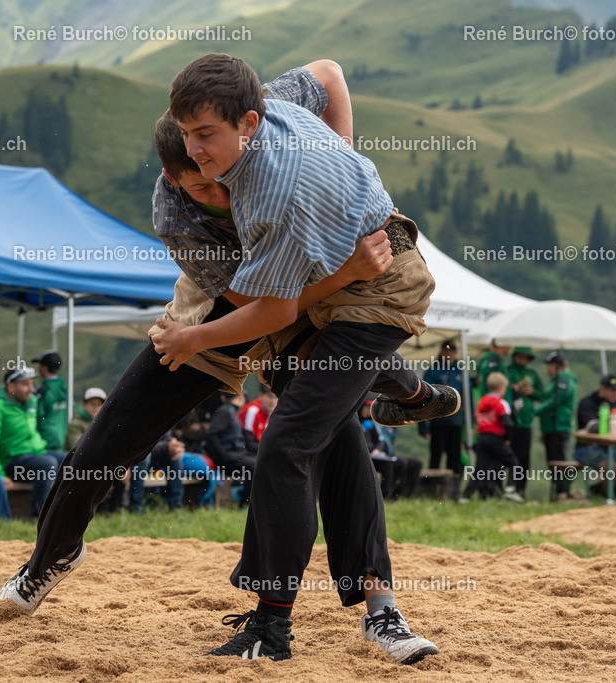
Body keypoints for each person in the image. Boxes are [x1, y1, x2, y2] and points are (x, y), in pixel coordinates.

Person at [0, 59, 449, 666]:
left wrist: (338, 168)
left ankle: (376, 607)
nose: (218, 191)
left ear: (248, 124)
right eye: (201, 182)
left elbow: (329, 74)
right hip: (223, 312)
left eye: (211, 144)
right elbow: (258, 310)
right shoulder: (179, 211)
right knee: (107, 440)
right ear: (173, 176)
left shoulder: (270, 158)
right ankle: (49, 555)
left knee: (322, 434)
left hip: (319, 296)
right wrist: (198, 337)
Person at [154, 53, 442, 664]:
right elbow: (333, 71)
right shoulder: (273, 104)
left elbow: (275, 313)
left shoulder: (273, 196)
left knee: (286, 445)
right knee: (328, 429)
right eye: (186, 133)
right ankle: (383, 608)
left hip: (379, 287)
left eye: (206, 135)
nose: (196, 150)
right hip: (339, 271)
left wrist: (190, 340)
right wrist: (346, 162)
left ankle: (271, 627)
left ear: (248, 123)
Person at [0, 366, 61, 518]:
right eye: (25, 384)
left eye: (31, 384)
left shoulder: (31, 401)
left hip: (36, 453)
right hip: (11, 461)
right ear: (11, 387)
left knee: (71, 458)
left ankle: (68, 514)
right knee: (47, 464)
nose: (31, 389)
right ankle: (39, 517)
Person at [574, 374, 616, 498]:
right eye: (612, 390)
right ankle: (609, 497)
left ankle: (600, 490)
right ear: (602, 388)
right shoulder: (587, 402)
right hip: (588, 446)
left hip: (614, 446)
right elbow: (592, 426)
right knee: (610, 468)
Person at [419, 339, 469, 498]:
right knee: (436, 455)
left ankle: (453, 492)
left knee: (455, 457)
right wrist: (423, 426)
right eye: (446, 350)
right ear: (441, 352)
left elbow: (468, 399)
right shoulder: (433, 371)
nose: (449, 353)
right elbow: (422, 399)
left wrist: (470, 423)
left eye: (452, 350)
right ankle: (432, 492)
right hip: (438, 420)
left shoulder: (460, 371)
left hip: (456, 422)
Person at [460, 373, 519, 502]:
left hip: (482, 438)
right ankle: (510, 490)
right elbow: (507, 422)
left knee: (480, 469)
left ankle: (466, 496)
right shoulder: (501, 403)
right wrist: (508, 438)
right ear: (502, 387)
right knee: (514, 464)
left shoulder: (482, 401)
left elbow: (477, 418)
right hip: (496, 438)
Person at [535, 352, 576, 500]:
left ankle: (561, 493)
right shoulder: (556, 381)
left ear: (557, 366)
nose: (548, 369)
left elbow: (554, 402)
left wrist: (534, 411)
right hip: (551, 428)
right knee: (553, 462)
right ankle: (558, 493)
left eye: (550, 366)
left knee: (559, 461)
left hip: (559, 427)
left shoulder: (563, 380)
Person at [360, 400, 422, 499]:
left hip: (380, 455)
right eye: (367, 407)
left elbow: (379, 441)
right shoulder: (359, 423)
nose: (368, 410)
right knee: (392, 465)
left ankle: (401, 495)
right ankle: (384, 494)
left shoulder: (371, 423)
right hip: (365, 456)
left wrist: (377, 450)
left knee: (413, 463)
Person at [204, 392, 256, 504]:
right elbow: (211, 435)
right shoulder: (226, 411)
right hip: (228, 458)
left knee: (259, 462)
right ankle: (245, 503)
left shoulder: (230, 410)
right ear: (241, 397)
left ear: (223, 397)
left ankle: (251, 501)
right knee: (255, 465)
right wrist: (223, 456)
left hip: (236, 455)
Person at [505, 347, 544, 497]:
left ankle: (520, 490)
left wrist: (531, 392)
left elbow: (542, 395)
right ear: (515, 356)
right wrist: (513, 388)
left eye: (526, 358)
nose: (523, 360)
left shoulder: (532, 374)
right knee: (509, 456)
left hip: (526, 422)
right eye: (520, 357)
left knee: (524, 458)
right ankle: (508, 488)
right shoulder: (508, 371)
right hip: (510, 421)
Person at [33, 350, 68, 453]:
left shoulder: (44, 391)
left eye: (40, 364)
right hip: (61, 436)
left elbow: (38, 414)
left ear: (45, 367)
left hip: (45, 439)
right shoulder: (63, 386)